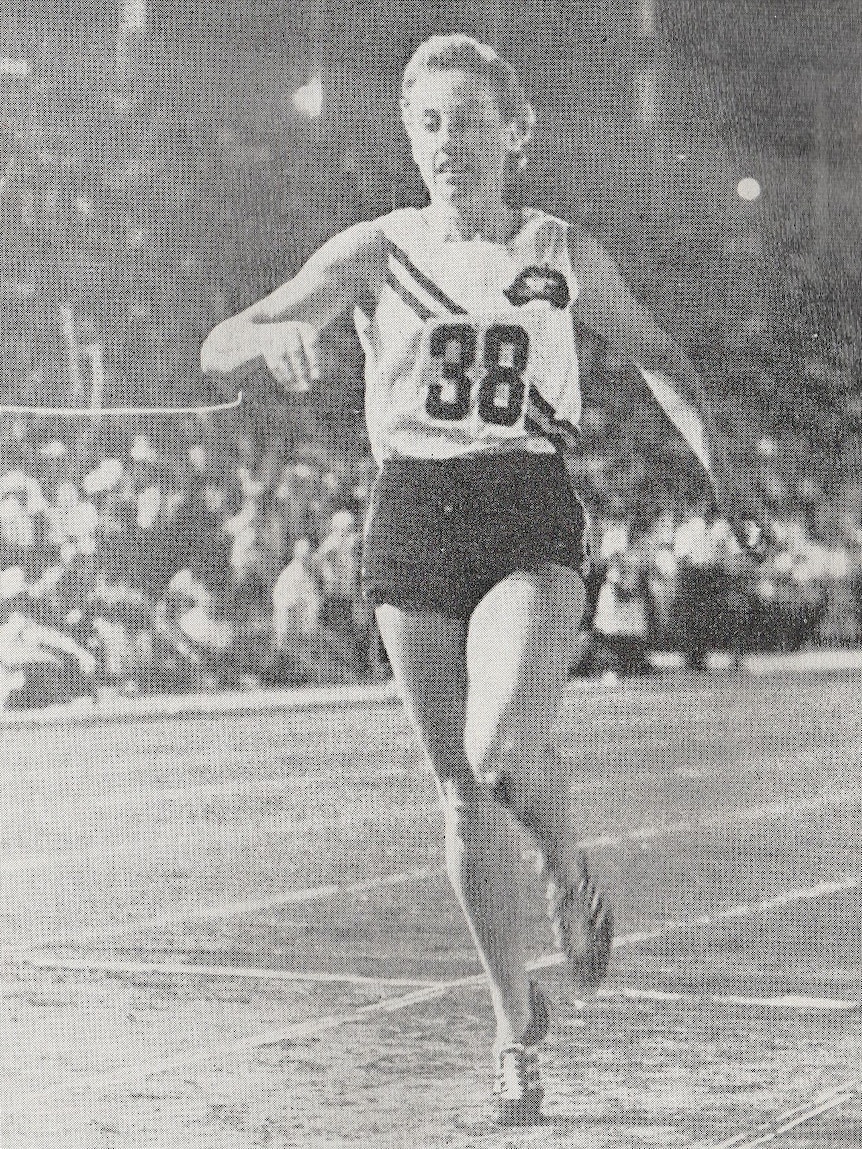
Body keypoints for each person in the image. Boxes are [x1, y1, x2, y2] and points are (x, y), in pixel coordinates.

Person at [202, 34, 759, 1124]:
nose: (450, 143)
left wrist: (720, 469)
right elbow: (221, 343)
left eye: (470, 119)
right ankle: (514, 1026)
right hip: (410, 514)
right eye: (430, 124)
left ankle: (566, 865)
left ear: (517, 129)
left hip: (524, 508)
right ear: (412, 136)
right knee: (456, 789)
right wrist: (269, 339)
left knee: (501, 753)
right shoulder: (375, 249)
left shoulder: (559, 247)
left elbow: (660, 357)